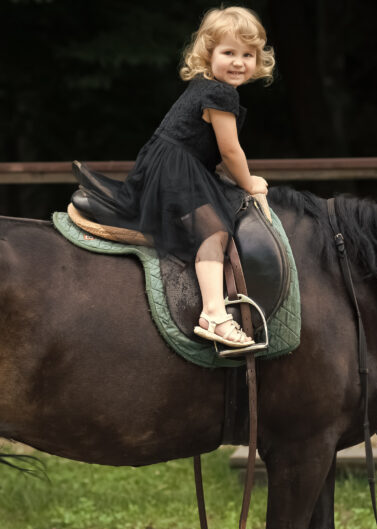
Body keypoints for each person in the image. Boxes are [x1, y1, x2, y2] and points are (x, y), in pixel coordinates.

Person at [113, 6, 275, 348]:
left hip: (172, 164)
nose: (238, 62)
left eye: (248, 54)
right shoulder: (220, 94)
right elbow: (231, 151)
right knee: (213, 231)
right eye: (228, 52)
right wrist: (249, 183)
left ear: (258, 61)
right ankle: (214, 314)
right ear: (208, 53)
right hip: (176, 170)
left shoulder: (207, 87)